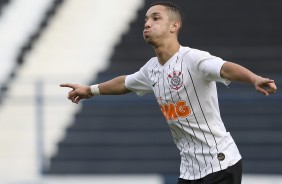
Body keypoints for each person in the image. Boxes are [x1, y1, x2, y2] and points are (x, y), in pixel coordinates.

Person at [60, 1, 277, 184]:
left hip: (220, 163)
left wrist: (254, 78)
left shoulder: (193, 58)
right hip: (189, 169)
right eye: (146, 19)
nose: (147, 23)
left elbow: (225, 68)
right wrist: (90, 90)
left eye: (155, 18)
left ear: (174, 26)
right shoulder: (151, 68)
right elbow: (125, 83)